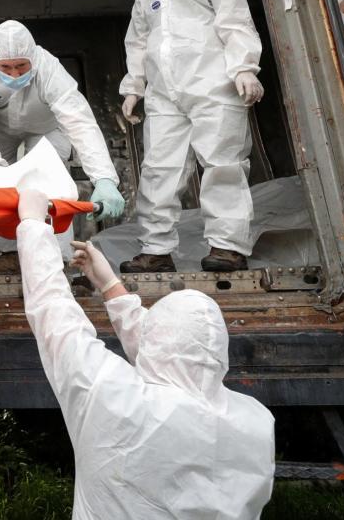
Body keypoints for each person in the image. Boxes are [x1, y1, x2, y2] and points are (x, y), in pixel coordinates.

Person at [15, 188, 275, 519]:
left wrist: (33, 226)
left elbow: (57, 318)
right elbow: (174, 356)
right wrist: (110, 286)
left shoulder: (113, 398)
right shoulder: (255, 423)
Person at [119, 0, 265, 273]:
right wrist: (133, 87)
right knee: (159, 169)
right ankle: (156, 250)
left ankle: (227, 247)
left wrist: (244, 67)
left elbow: (234, 22)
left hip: (213, 85)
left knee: (223, 165)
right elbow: (138, 43)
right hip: (165, 93)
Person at [0, 19, 125, 255]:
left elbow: (79, 121)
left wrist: (104, 177)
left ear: (32, 59)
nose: (14, 73)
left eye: (22, 66)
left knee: (49, 184)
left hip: (47, 128)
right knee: (0, 187)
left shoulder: (49, 68)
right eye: (6, 68)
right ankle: (7, 254)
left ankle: (58, 257)